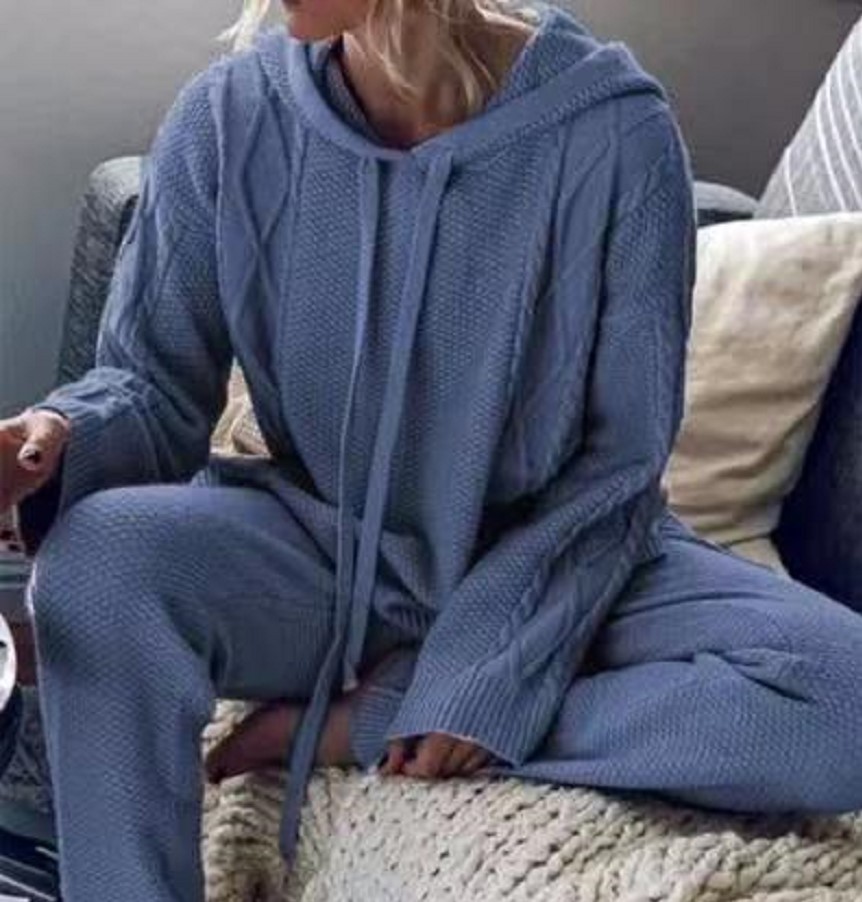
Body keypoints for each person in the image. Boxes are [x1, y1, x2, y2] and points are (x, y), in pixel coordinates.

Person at [1, 0, 861, 898]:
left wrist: (477, 680)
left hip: (557, 562)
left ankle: (383, 714)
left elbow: (619, 464)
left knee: (846, 697)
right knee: (99, 563)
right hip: (320, 551)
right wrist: (53, 440)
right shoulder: (228, 116)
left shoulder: (616, 136)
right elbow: (154, 385)